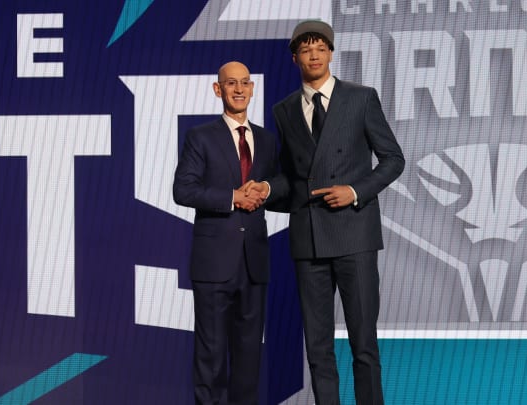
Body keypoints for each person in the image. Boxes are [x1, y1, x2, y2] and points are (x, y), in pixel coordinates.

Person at [245, 20, 405, 405]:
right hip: (308, 239)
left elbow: (393, 159)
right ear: (295, 57)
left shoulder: (361, 98)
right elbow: (292, 177)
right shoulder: (284, 110)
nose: (313, 55)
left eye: (320, 47)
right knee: (317, 346)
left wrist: (354, 190)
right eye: (305, 49)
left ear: (331, 52)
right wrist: (266, 188)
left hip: (354, 235)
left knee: (363, 342)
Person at [173, 61, 276, 405]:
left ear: (251, 88)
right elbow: (183, 190)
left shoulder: (266, 139)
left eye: (245, 83)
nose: (238, 89)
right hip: (214, 264)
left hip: (254, 262)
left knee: (249, 361)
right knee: (211, 358)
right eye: (230, 83)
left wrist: (266, 188)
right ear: (218, 90)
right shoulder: (200, 137)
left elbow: (285, 185)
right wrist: (233, 197)